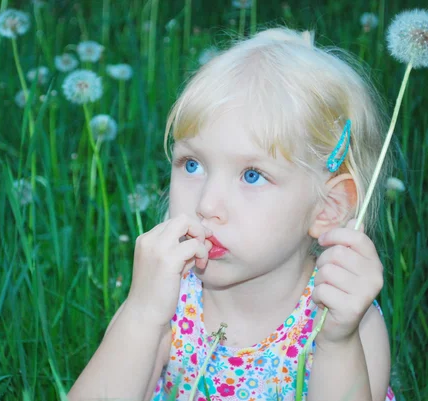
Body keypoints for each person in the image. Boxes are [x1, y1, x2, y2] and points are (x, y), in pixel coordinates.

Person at [68, 27, 398, 401]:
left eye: (252, 175)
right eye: (192, 165)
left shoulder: (345, 320)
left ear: (328, 208)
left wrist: (338, 343)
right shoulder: (168, 295)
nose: (207, 204)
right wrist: (142, 314)